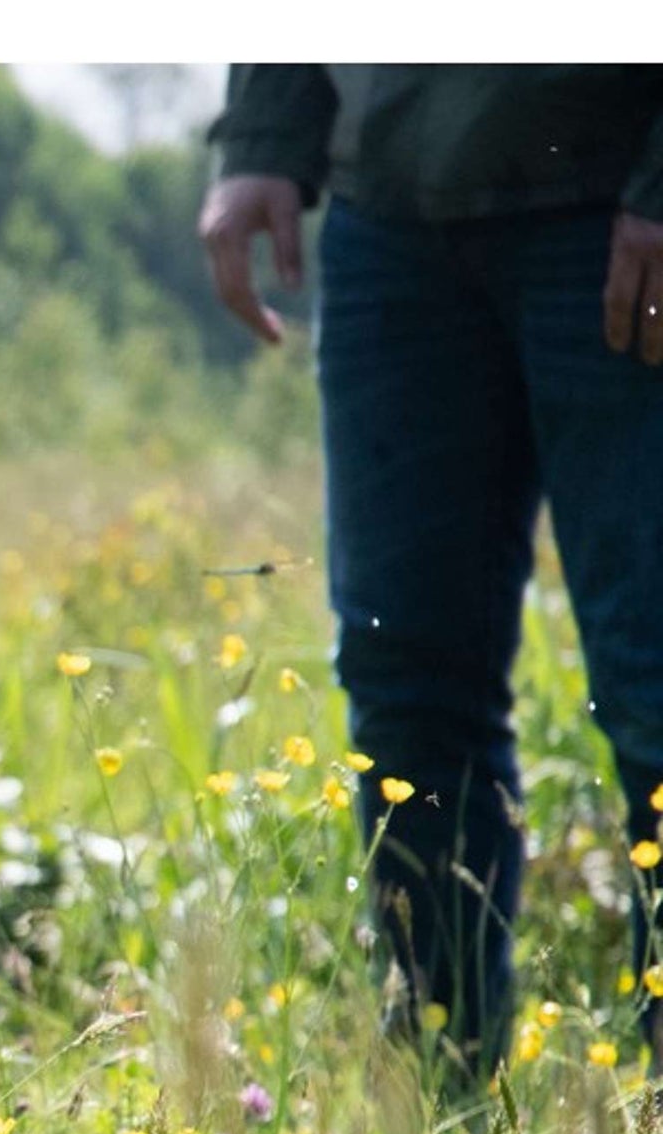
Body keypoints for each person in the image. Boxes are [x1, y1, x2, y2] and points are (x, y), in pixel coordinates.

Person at [199, 64, 663, 1081]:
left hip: (620, 195)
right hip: (393, 212)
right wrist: (268, 130)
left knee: (656, 687)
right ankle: (440, 1112)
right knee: (404, 686)